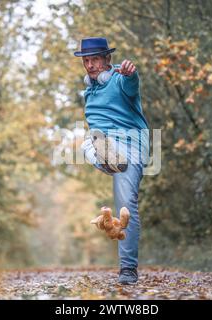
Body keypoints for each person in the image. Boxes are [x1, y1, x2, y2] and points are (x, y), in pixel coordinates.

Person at [74, 37, 150, 285]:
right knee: (88, 142)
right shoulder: (90, 91)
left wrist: (130, 74)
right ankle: (107, 159)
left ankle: (128, 269)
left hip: (130, 146)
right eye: (86, 60)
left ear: (108, 60)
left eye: (95, 59)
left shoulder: (118, 79)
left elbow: (131, 85)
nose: (90, 65)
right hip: (106, 146)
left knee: (127, 204)